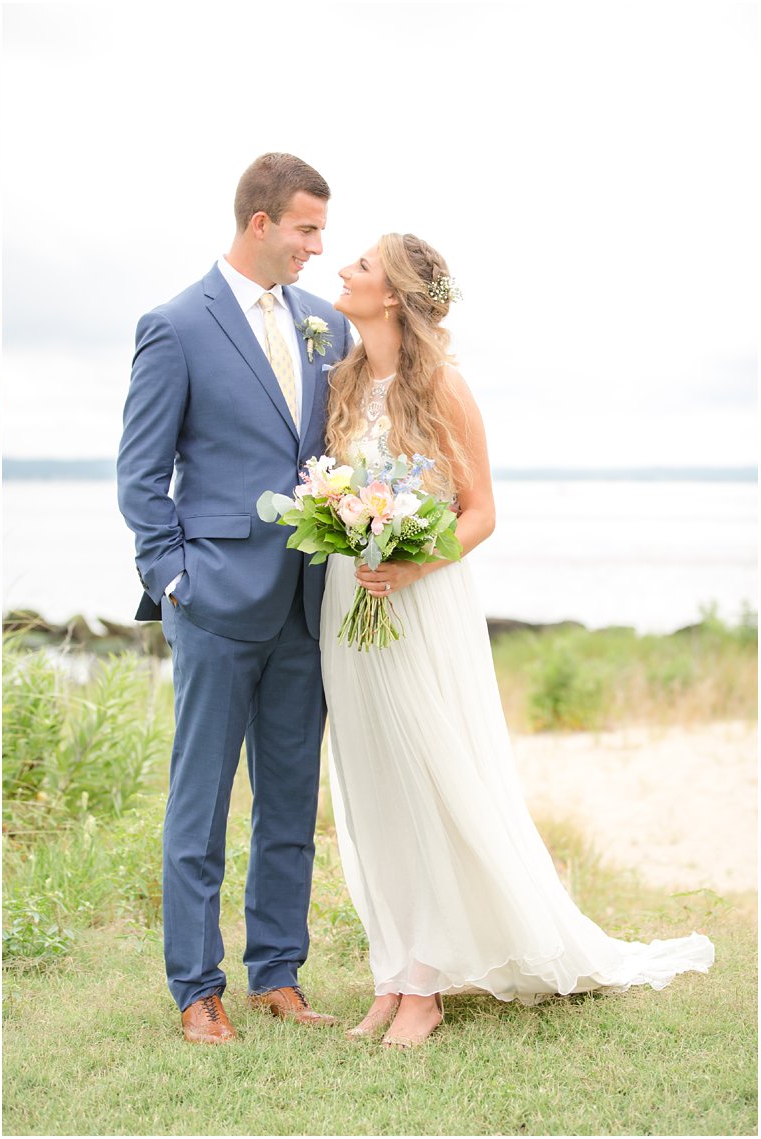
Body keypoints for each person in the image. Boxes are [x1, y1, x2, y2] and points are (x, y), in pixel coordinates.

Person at [321, 232, 715, 1047]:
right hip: (346, 601)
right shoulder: (344, 380)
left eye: (359, 264)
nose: (343, 270)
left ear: (392, 294)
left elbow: (481, 511)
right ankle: (390, 972)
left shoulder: (444, 387)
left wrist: (409, 565)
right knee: (372, 787)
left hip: (418, 601)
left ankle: (427, 983)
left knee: (429, 777)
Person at [117, 154, 353, 1043]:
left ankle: (278, 974)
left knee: (290, 797)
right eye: (306, 229)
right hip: (215, 603)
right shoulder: (176, 325)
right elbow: (141, 477)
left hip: (305, 599)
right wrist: (174, 581)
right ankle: (194, 986)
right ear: (261, 222)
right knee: (201, 802)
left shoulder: (326, 324)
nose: (317, 247)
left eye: (321, 231)